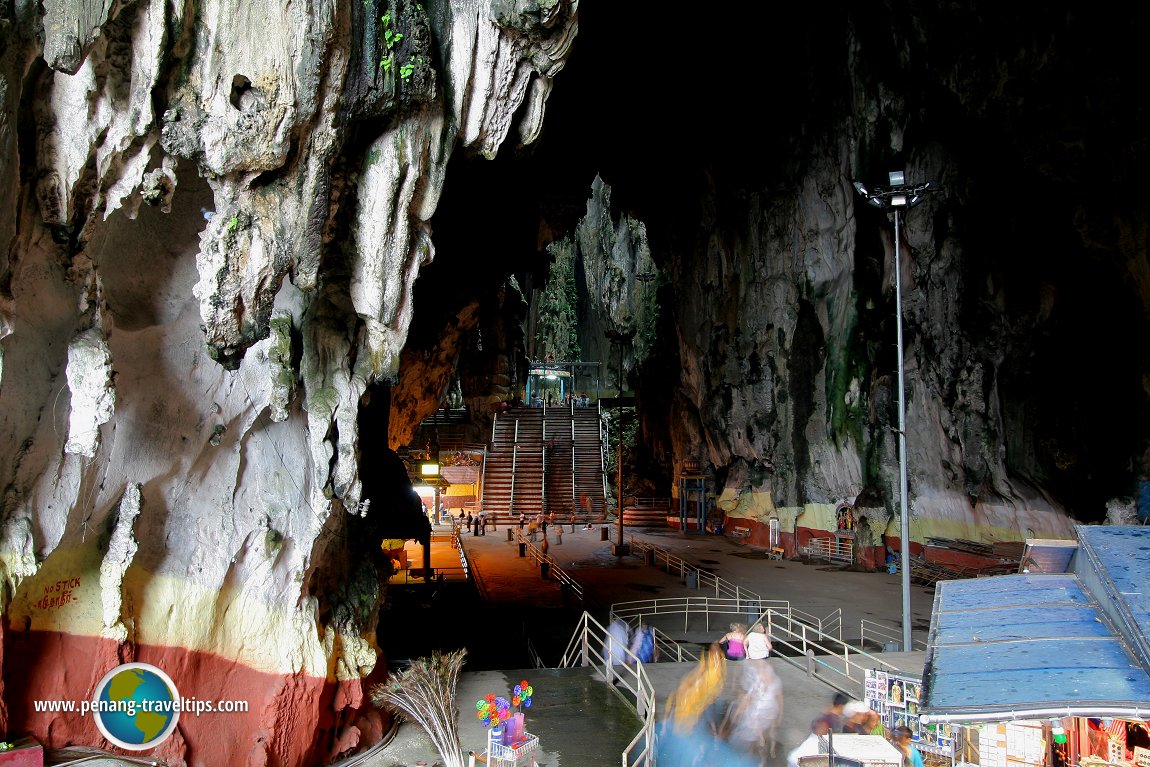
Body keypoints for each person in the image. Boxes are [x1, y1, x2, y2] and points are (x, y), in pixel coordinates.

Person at [722, 655, 784, 764]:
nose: (763, 675)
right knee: (752, 739)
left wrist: (779, 714)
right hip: (756, 715)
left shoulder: (775, 683)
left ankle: (760, 755)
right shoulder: (758, 682)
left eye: (765, 672)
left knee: (761, 739)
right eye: (761, 672)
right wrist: (739, 711)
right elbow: (748, 698)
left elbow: (779, 698)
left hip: (766, 715)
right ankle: (752, 755)